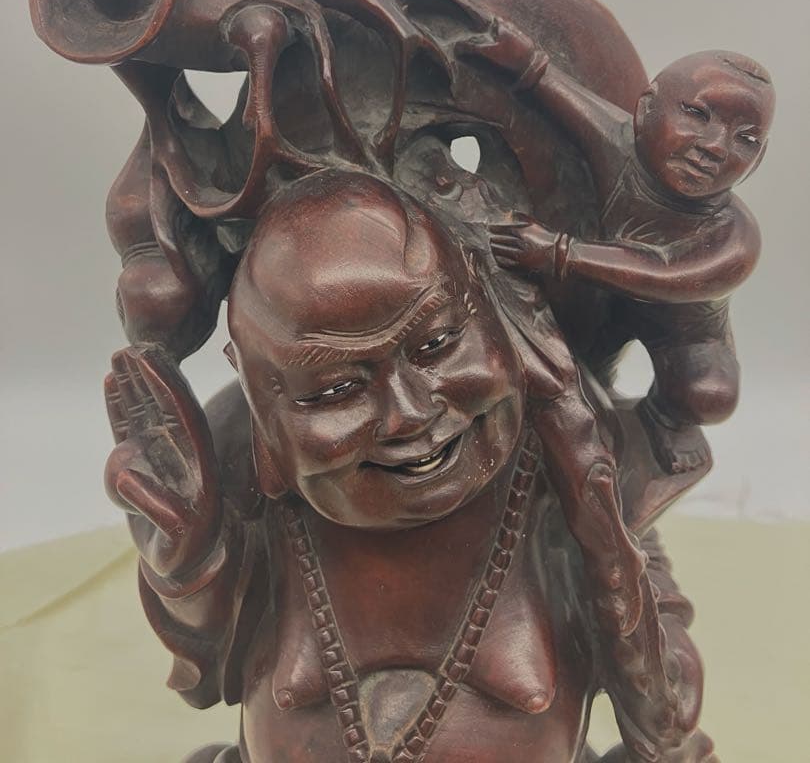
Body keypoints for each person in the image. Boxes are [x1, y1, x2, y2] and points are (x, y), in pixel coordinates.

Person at [104, 171, 715, 763]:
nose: (410, 414)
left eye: (436, 345)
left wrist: (597, 515)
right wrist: (190, 563)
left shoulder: (562, 460)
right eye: (336, 389)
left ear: (493, 315)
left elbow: (667, 724)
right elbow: (206, 666)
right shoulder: (249, 467)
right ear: (263, 409)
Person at [458, 23, 774, 474]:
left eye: (746, 139)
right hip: (595, 291)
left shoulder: (735, 238)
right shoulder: (619, 143)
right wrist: (523, 59)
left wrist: (558, 252)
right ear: (645, 110)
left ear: (758, 162)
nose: (714, 147)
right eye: (697, 114)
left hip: (680, 330)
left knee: (710, 395)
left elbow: (661, 272)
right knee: (555, 344)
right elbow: (559, 93)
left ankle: (666, 418)